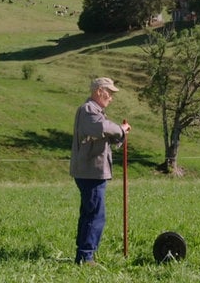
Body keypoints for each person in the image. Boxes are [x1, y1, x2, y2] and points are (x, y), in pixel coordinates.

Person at [70, 77, 131, 266]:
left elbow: (106, 135)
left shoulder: (96, 112)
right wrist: (120, 130)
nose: (111, 97)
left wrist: (120, 135)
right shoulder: (89, 110)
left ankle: (83, 254)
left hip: (92, 171)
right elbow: (102, 128)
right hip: (91, 172)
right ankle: (86, 257)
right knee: (95, 215)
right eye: (109, 93)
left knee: (90, 213)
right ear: (98, 91)